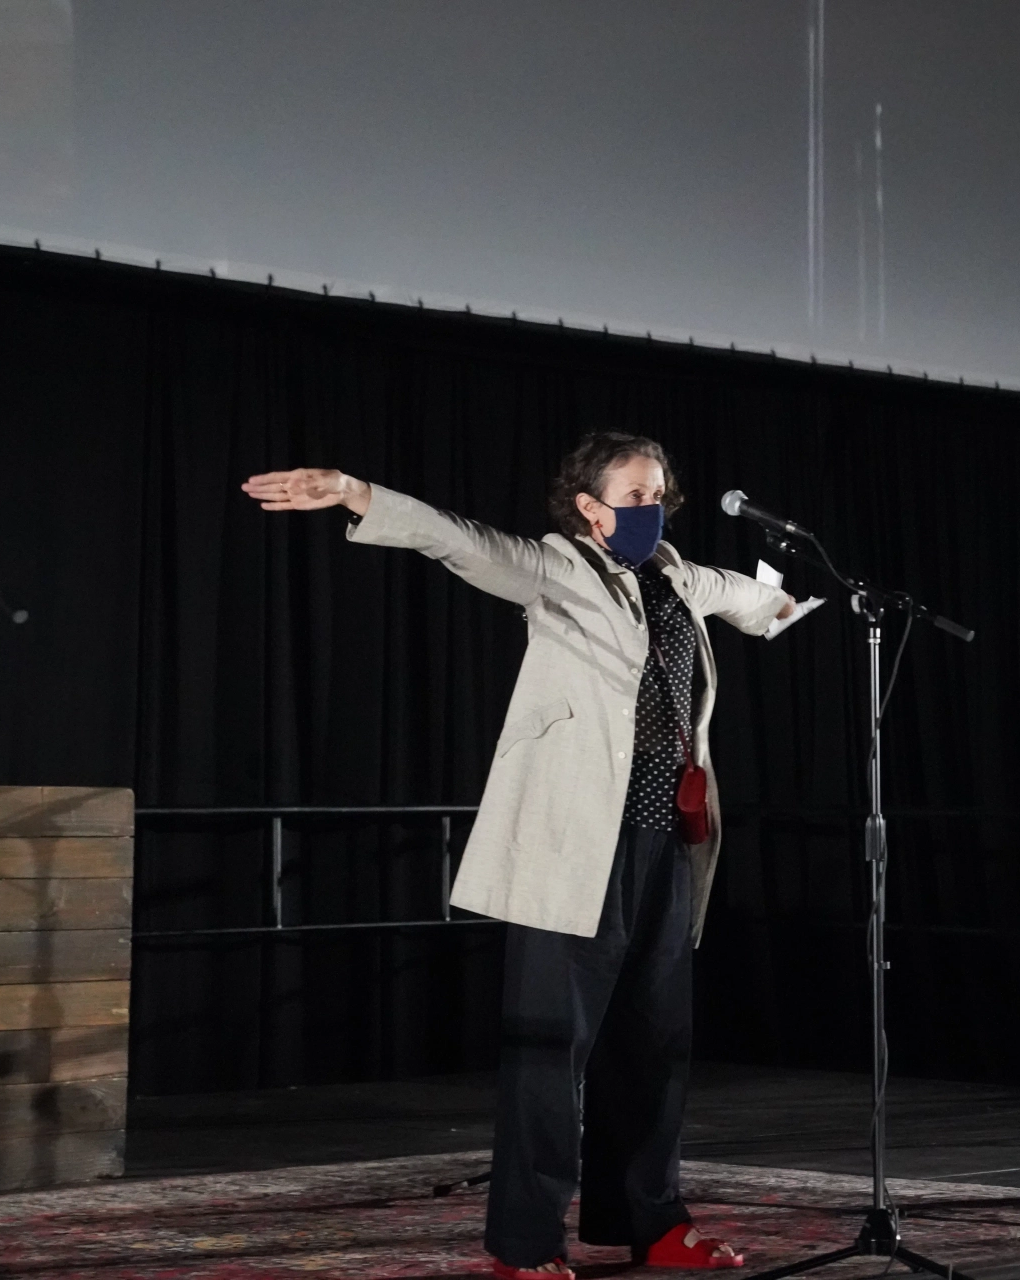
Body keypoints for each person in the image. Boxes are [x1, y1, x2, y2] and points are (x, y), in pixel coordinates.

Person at [242, 434, 793, 1279]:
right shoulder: (556, 568)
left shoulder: (678, 578)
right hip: (574, 844)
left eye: (660, 495)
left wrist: (802, 600)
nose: (654, 508)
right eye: (636, 495)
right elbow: (456, 538)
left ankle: (651, 1222)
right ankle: (525, 1242)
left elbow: (759, 604)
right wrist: (354, 490)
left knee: (655, 1045)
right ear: (589, 505)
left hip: (665, 848)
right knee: (550, 1051)